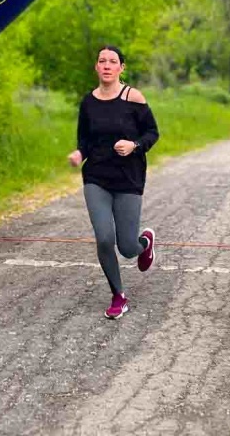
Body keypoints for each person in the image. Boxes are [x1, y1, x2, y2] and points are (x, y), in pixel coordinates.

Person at [67, 46, 160, 320]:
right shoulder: (88, 103)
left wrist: (134, 145)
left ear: (121, 68)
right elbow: (84, 140)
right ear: (96, 67)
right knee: (105, 238)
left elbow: (152, 133)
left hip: (128, 178)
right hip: (96, 178)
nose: (107, 65)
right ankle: (118, 295)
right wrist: (78, 154)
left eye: (112, 61)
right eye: (102, 61)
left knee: (128, 248)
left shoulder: (134, 98)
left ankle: (145, 243)